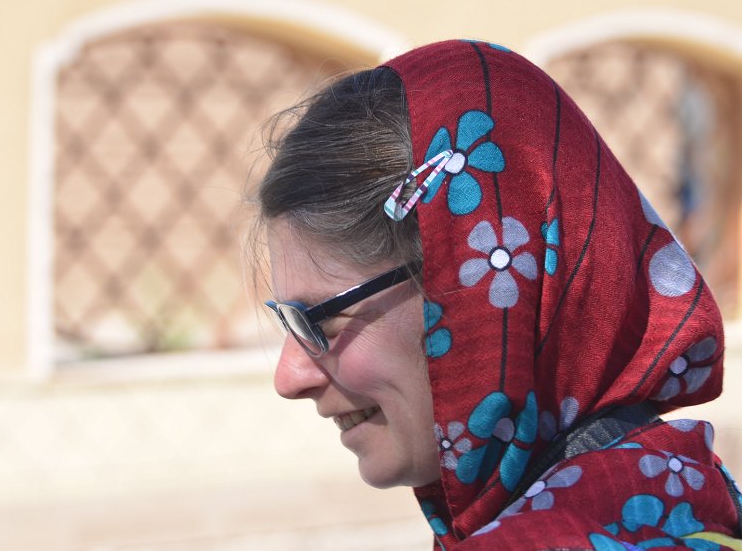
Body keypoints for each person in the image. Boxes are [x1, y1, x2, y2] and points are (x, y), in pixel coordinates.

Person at [252, 40, 742, 549]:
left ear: (478, 296)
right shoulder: (687, 495)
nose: (289, 377)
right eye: (289, 321)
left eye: (322, 320)